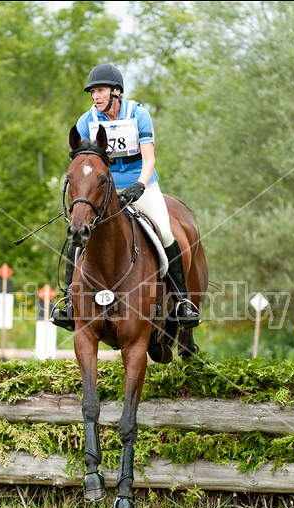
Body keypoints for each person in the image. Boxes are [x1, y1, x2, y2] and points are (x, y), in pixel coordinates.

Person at [53, 64, 200, 331]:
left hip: (140, 183)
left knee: (166, 234)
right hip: (103, 188)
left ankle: (182, 302)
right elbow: (86, 164)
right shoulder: (87, 121)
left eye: (100, 91)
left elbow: (149, 158)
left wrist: (139, 185)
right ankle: (68, 302)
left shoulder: (138, 115)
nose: (96, 96)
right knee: (77, 234)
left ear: (116, 92)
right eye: (93, 92)